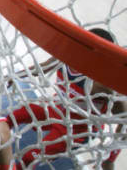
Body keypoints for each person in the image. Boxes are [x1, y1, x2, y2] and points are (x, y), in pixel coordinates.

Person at [9, 28, 125, 169]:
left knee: (29, 158)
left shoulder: (103, 84)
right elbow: (44, 67)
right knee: (10, 116)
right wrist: (12, 77)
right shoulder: (67, 55)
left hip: (76, 130)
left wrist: (109, 158)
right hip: (55, 107)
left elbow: (124, 121)